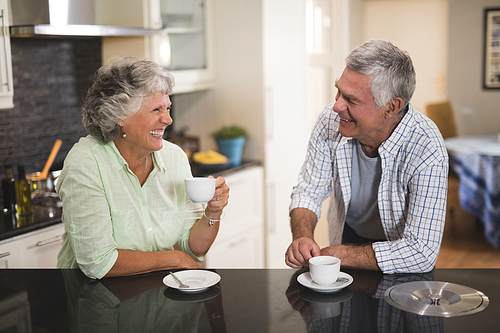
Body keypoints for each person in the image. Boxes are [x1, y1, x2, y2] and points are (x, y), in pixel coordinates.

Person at [56, 57, 229, 279]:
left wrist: (213, 212)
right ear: (120, 116)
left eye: (168, 108)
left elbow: (193, 248)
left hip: (157, 295)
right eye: (156, 109)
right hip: (98, 301)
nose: (167, 119)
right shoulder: (86, 163)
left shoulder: (174, 157)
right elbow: (98, 263)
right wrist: (172, 258)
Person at [285, 40, 448, 274]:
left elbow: (420, 252)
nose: (337, 106)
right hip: (347, 234)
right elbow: (309, 190)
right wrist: (302, 236)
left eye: (351, 99)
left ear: (391, 107)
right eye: (338, 91)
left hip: (400, 254)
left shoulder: (426, 146)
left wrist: (337, 254)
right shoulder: (330, 121)